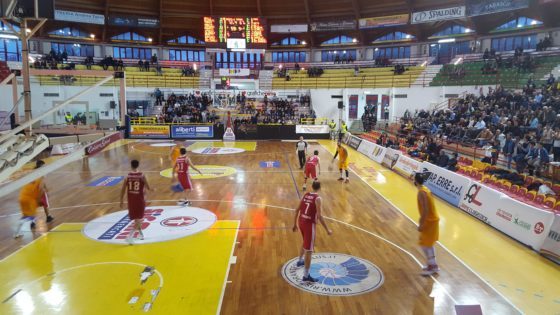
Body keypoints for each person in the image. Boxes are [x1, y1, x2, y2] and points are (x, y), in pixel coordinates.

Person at [292, 181, 332, 282]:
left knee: (305, 242)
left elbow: (296, 210)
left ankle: (300, 261)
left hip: (301, 221)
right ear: (320, 188)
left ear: (312, 186)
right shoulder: (318, 198)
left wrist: (294, 224)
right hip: (309, 224)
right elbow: (319, 216)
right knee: (309, 251)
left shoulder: (306, 195)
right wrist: (327, 229)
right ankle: (306, 276)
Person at [120, 160, 152, 244]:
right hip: (139, 199)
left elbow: (123, 190)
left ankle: (141, 234)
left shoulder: (127, 176)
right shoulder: (142, 175)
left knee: (136, 219)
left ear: (131, 166)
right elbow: (148, 187)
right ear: (138, 165)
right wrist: (153, 189)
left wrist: (121, 200)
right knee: (139, 219)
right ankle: (130, 236)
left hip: (131, 200)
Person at [14, 160, 48, 238]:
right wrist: (38, 199)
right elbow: (41, 189)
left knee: (26, 216)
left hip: (22, 197)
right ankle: (40, 231)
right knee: (33, 216)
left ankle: (18, 232)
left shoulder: (31, 173)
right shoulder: (41, 177)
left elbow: (19, 175)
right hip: (30, 199)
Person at [414, 172, 440, 276]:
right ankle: (433, 265)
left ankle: (432, 266)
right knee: (428, 244)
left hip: (430, 221)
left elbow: (425, 210)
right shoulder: (425, 189)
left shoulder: (421, 192)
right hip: (432, 220)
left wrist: (421, 223)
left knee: (425, 245)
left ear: (415, 181)